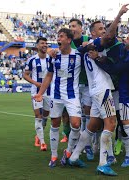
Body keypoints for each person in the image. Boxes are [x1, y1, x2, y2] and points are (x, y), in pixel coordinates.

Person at [93, 4, 129, 171]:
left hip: (126, 95)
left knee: (128, 127)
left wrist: (98, 59)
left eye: (128, 39)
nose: (124, 40)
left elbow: (115, 70)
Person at [63, 20, 118, 176]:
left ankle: (74, 157)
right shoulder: (96, 44)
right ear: (93, 33)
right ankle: (103, 163)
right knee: (111, 123)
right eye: (100, 29)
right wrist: (119, 14)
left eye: (103, 29)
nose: (103, 31)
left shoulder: (88, 47)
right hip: (102, 89)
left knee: (92, 126)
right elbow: (110, 34)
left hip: (94, 91)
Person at [33, 28, 82, 168]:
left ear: (69, 40)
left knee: (76, 124)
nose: (58, 39)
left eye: (61, 36)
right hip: (56, 95)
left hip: (73, 95)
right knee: (55, 123)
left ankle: (68, 151)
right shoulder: (53, 56)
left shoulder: (78, 55)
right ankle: (54, 155)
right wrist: (40, 93)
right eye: (58, 36)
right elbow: (49, 75)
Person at [23, 37, 50, 151]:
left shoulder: (51, 58)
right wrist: (36, 83)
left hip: (49, 92)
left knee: (45, 116)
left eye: (46, 43)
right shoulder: (32, 60)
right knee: (38, 116)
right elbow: (25, 75)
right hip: (36, 92)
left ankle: (38, 135)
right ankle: (42, 142)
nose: (44, 45)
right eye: (42, 43)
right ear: (37, 46)